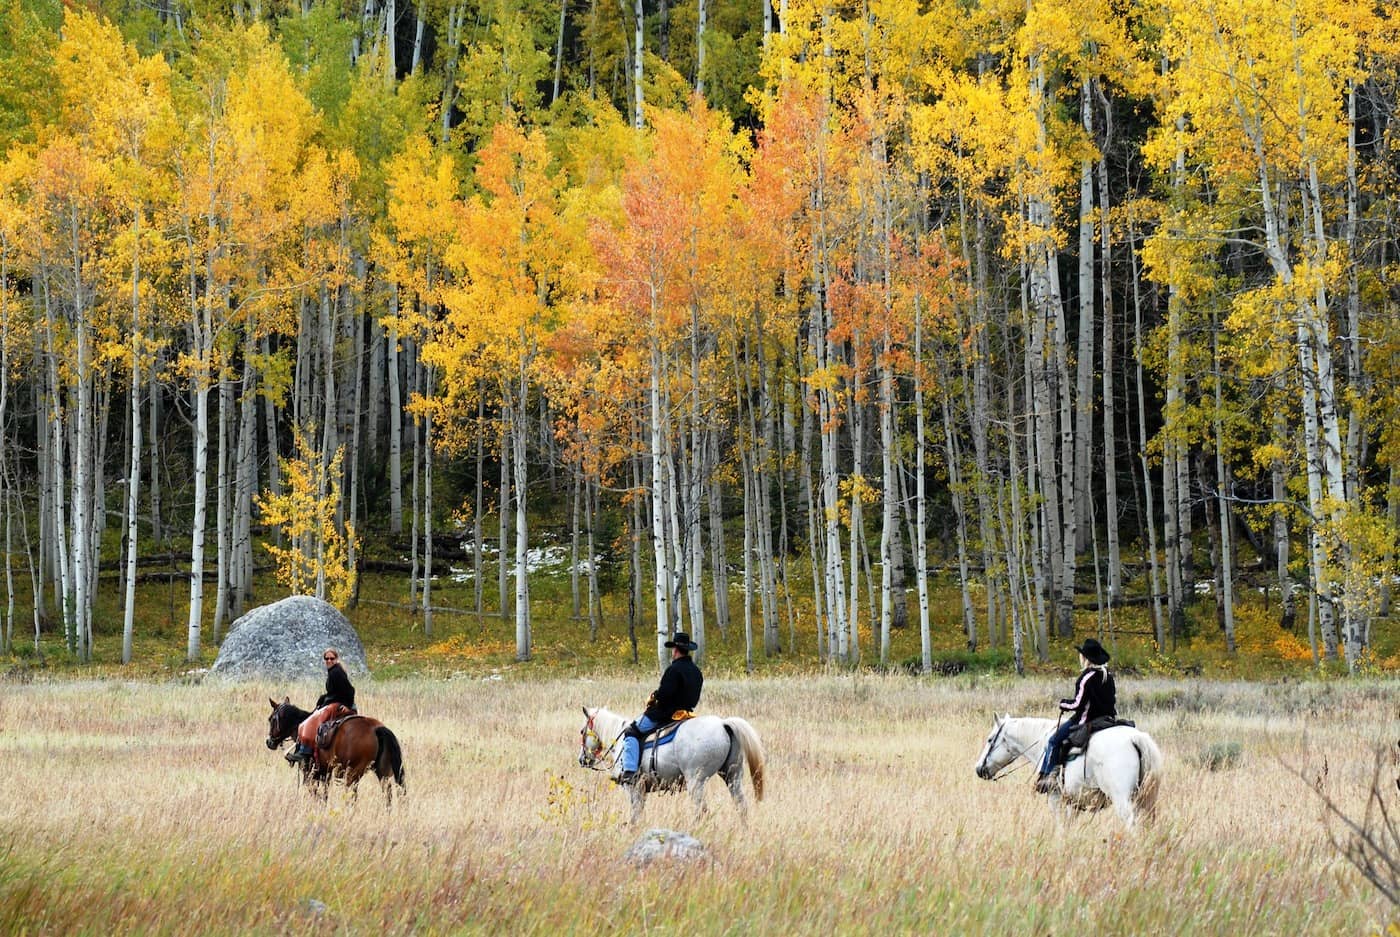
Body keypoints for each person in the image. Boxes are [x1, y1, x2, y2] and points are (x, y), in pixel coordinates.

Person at [616, 632, 703, 785]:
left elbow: (664, 695)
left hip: (665, 714)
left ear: (675, 650)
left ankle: (629, 772)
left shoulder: (673, 670)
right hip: (686, 715)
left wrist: (654, 697)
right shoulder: (697, 672)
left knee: (631, 731)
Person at [1034, 637, 1115, 793]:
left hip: (1086, 721)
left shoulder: (1086, 677)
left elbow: (1077, 704)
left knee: (1053, 741)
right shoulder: (1108, 675)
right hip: (1107, 720)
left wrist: (1063, 704)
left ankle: (1048, 777)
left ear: (1085, 658)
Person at [286, 648, 357, 764]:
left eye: (332, 658)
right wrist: (323, 698)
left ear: (336, 659)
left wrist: (347, 706)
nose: (329, 660)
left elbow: (350, 690)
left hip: (338, 704)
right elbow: (335, 692)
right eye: (326, 658)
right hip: (336, 702)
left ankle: (304, 750)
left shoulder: (336, 672)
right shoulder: (334, 671)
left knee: (310, 722)